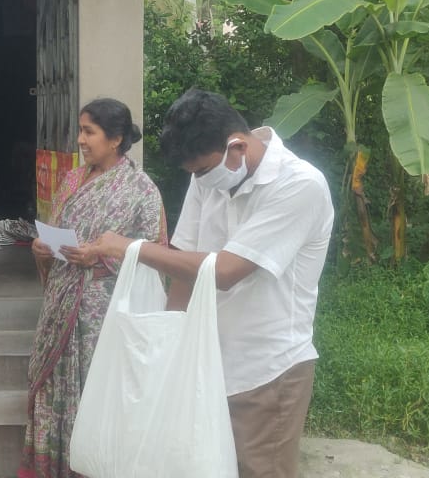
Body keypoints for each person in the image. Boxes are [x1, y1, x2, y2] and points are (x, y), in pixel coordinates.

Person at [89, 89, 334, 478]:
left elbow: (225, 271)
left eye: (202, 171)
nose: (198, 180)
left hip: (266, 370)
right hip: (205, 360)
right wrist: (169, 342)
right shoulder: (207, 175)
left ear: (237, 146)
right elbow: (184, 255)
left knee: (260, 469)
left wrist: (132, 248)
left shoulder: (299, 185)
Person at [19, 98, 168, 478]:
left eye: (89, 132)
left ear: (115, 139)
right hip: (60, 304)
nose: (81, 140)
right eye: (80, 131)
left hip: (102, 315)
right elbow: (56, 229)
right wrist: (42, 247)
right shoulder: (72, 179)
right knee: (54, 388)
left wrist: (100, 257)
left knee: (95, 393)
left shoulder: (141, 189)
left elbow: (156, 255)